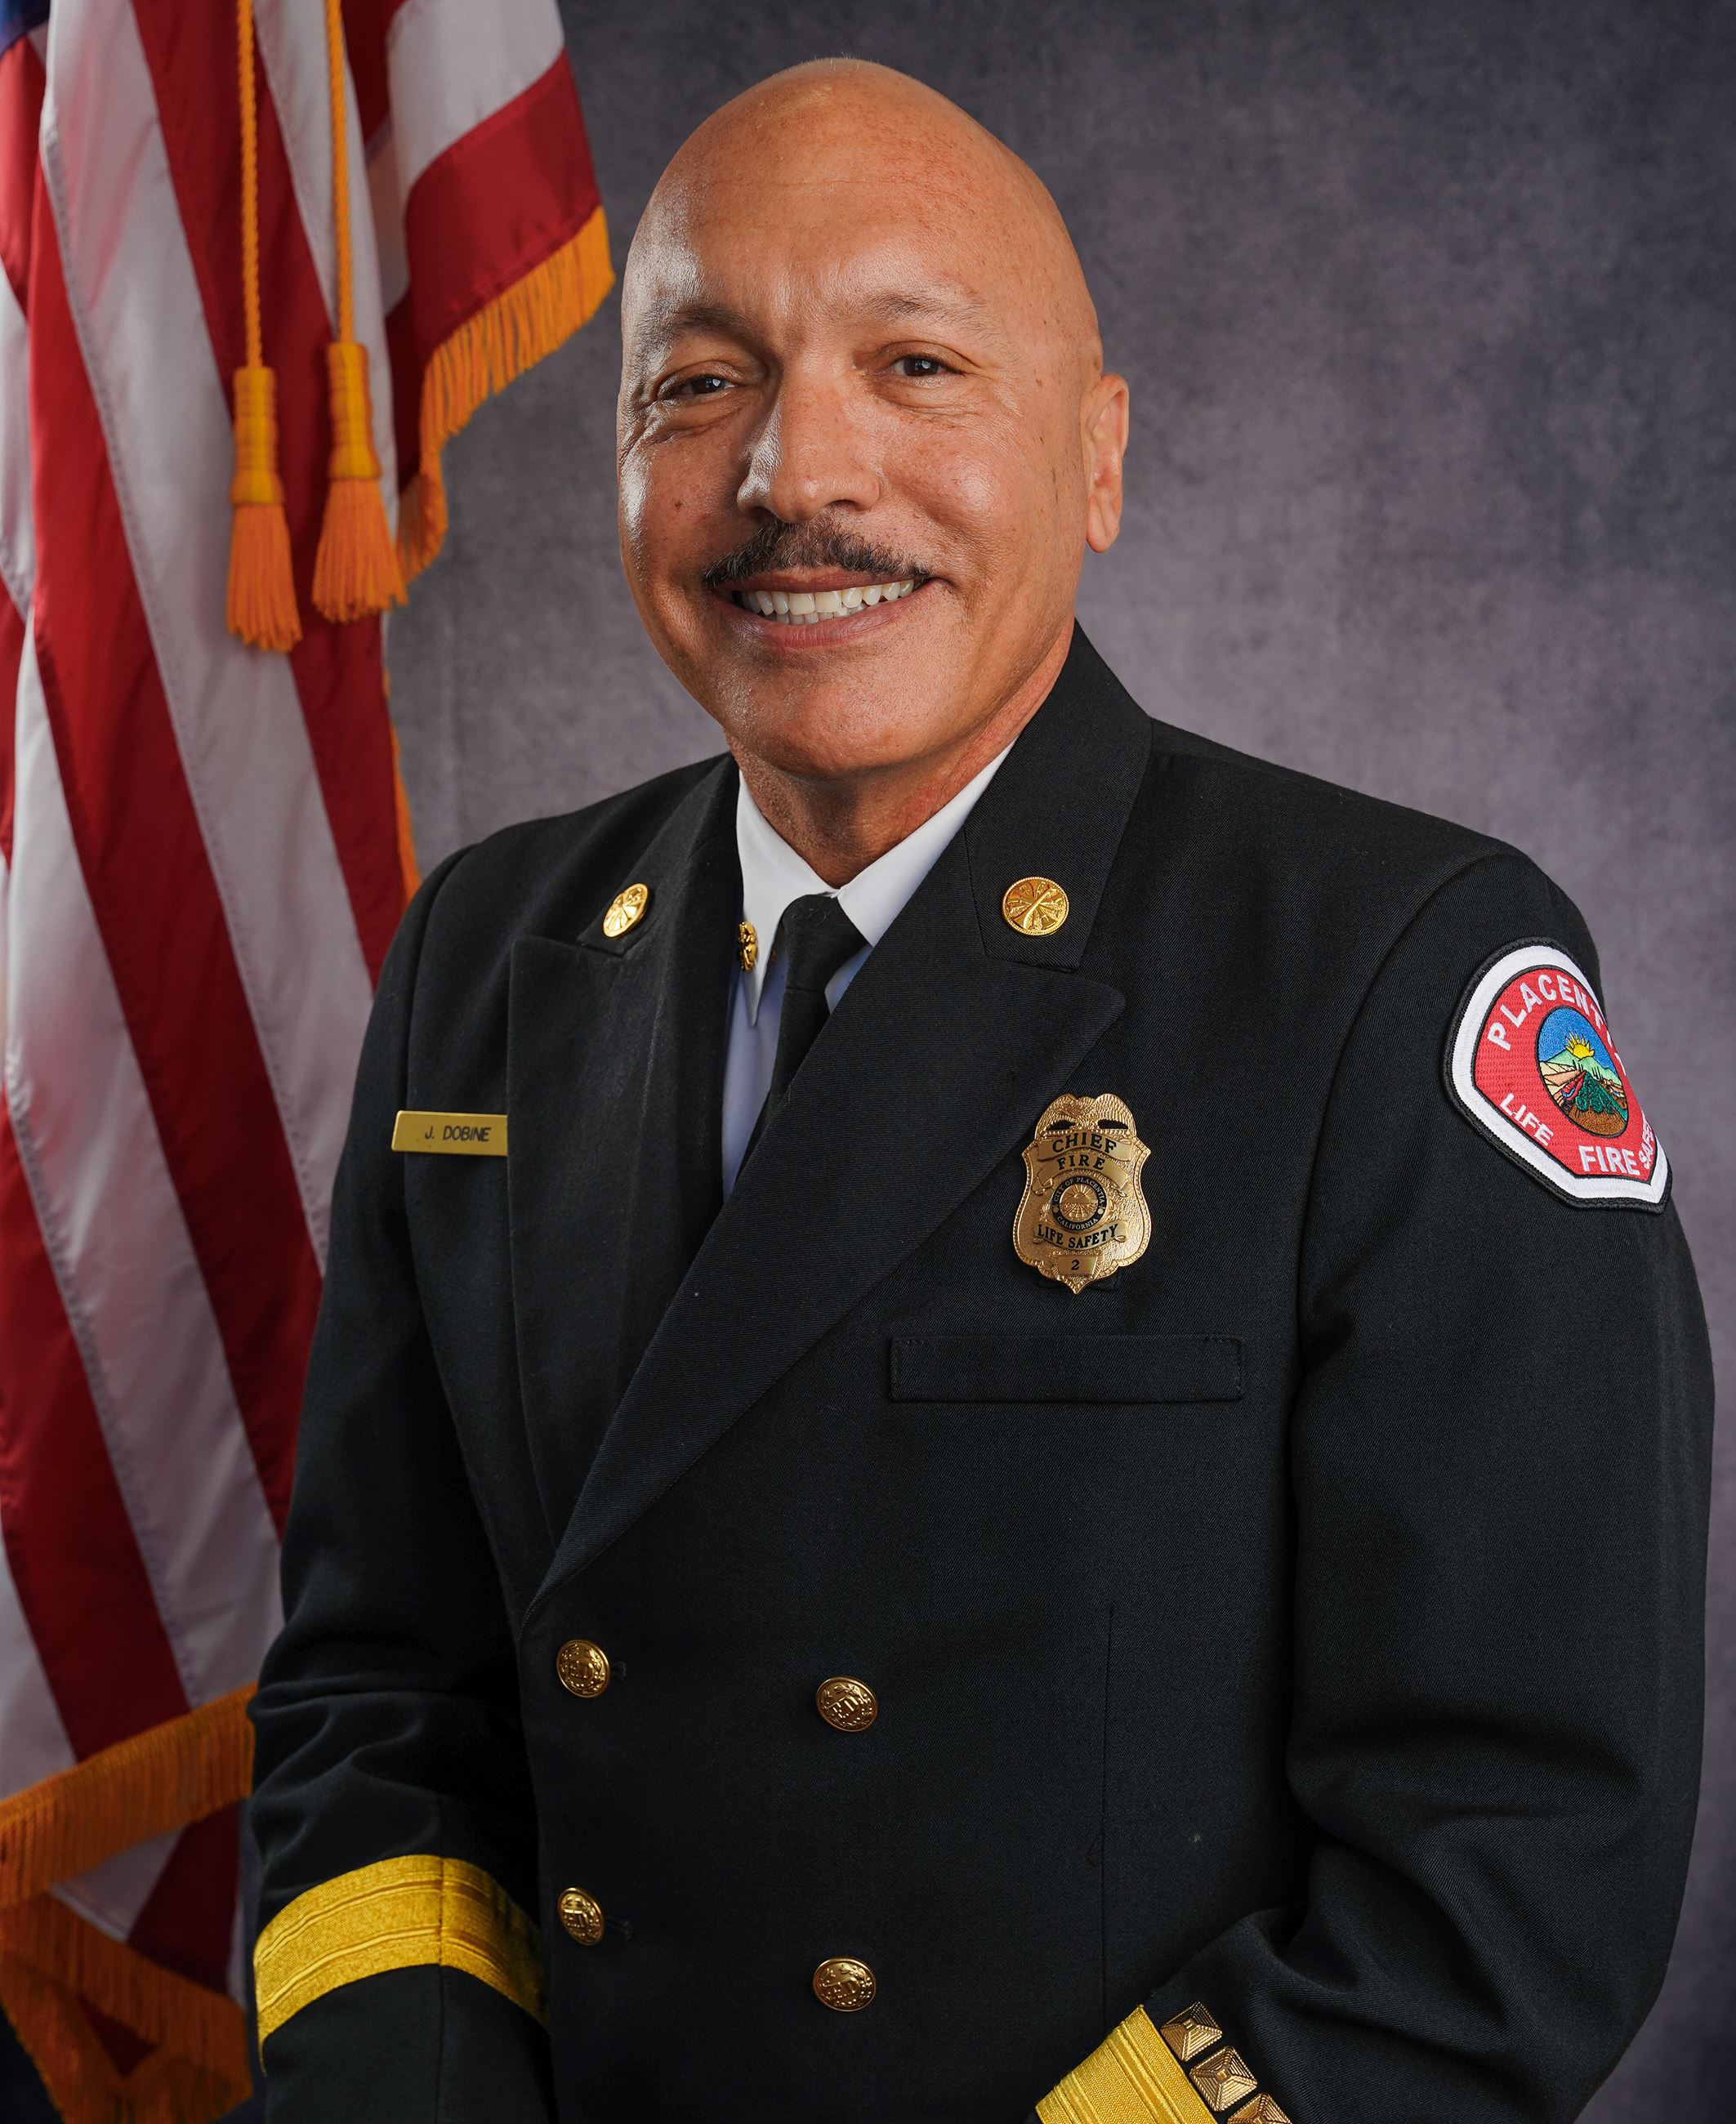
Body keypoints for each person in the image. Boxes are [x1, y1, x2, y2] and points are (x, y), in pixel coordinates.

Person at [248, 58, 1712, 2124]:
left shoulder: (1399, 975)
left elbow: (1512, 1871)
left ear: (1099, 457)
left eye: (915, 362)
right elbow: (381, 1693)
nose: (792, 473)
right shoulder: (486, 959)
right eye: (697, 381)